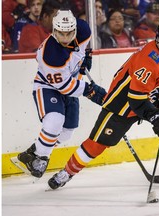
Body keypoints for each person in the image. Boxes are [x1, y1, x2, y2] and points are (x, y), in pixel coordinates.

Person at [47, 20, 159, 190]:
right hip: (123, 104)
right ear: (158, 41)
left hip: (152, 97)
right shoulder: (148, 60)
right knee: (97, 144)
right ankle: (67, 172)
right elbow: (136, 100)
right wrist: (157, 117)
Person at [16, 9, 107, 178]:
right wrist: (91, 91)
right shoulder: (50, 55)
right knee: (54, 121)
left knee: (66, 133)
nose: (65, 38)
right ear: (54, 31)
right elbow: (65, 87)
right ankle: (41, 157)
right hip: (48, 86)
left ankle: (33, 151)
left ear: (75, 29)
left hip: (71, 82)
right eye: (61, 34)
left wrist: (86, 56)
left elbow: (83, 48)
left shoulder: (84, 30)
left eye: (69, 33)